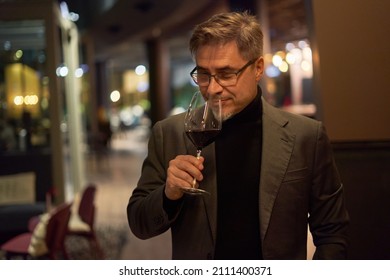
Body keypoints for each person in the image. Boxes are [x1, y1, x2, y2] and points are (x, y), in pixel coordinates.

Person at [127, 11, 349, 260]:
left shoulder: (306, 136)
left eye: (225, 74)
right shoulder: (169, 133)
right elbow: (139, 223)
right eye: (203, 75)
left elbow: (333, 232)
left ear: (258, 68)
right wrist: (169, 193)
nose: (212, 89)